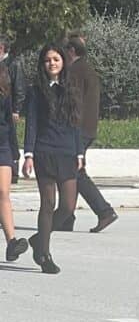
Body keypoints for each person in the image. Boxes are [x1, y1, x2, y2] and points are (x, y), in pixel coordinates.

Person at [22, 44, 84, 274]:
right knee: (47, 205)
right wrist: (28, 154)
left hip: (67, 153)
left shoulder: (71, 88)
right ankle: (44, 255)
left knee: (67, 207)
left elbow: (76, 123)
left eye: (56, 59)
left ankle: (39, 238)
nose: (52, 63)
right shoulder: (36, 91)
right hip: (44, 152)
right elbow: (31, 124)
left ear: (63, 62)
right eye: (48, 60)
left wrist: (79, 152)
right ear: (43, 64)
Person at [61, 33, 117, 233]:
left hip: (78, 129)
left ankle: (104, 211)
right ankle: (66, 217)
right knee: (72, 171)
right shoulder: (87, 68)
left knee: (74, 171)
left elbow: (72, 102)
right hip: (87, 127)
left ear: (71, 51)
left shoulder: (75, 71)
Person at [0, 62, 28, 262]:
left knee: (3, 192)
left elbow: (9, 122)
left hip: (2, 146)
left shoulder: (4, 88)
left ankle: (12, 243)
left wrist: (15, 152)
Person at [0, 35, 26, 119]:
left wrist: (16, 110)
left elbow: (19, 88)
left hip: (7, 111)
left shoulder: (14, 64)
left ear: (1, 48)